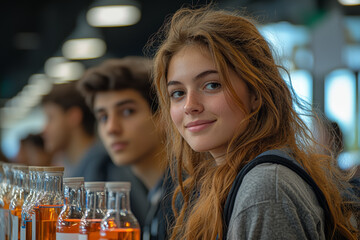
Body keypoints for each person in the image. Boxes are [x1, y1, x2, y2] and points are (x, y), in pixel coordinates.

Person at [150, 6, 359, 240]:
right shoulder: (222, 182)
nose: (190, 105)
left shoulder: (265, 187)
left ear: (256, 94)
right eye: (177, 93)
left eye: (212, 85)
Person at [78, 56, 174, 239]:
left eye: (127, 111)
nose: (112, 128)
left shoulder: (186, 199)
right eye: (103, 117)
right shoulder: (157, 196)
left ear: (162, 116)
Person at [41, 81, 112, 180]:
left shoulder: (104, 169)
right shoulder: (70, 166)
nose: (44, 129)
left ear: (73, 117)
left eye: (50, 118)